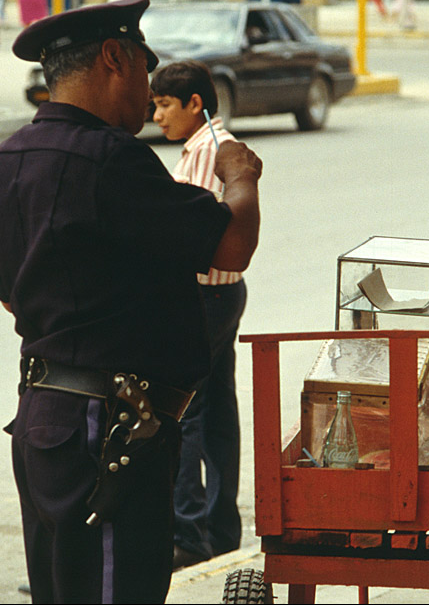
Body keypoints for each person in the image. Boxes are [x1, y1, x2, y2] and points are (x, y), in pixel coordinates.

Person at [0, 0, 262, 605]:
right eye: (142, 69)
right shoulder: (115, 161)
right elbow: (231, 247)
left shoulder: (1, 164)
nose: (146, 90)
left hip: (47, 422)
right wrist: (240, 177)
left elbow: (10, 298)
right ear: (113, 57)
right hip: (108, 429)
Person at [152, 61, 245, 570]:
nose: (157, 115)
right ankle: (221, 531)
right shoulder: (208, 145)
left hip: (206, 297)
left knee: (185, 413)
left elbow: (196, 235)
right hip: (222, 295)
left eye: (165, 105)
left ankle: (189, 534)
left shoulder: (207, 151)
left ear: (194, 103)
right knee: (216, 414)